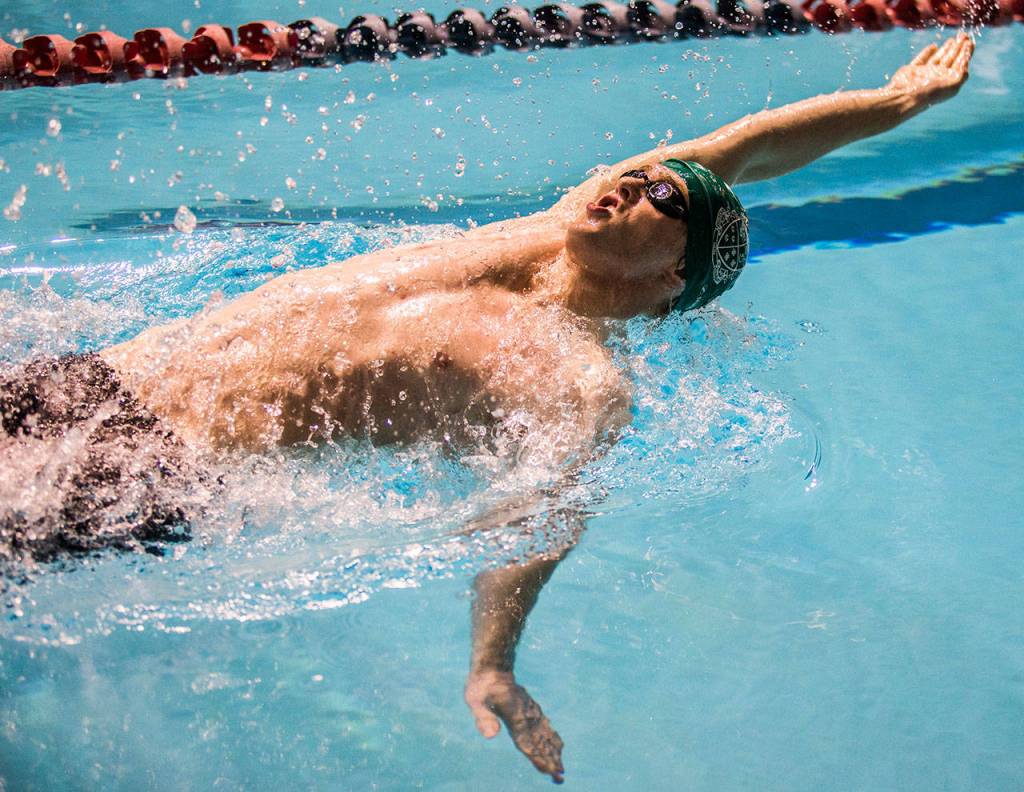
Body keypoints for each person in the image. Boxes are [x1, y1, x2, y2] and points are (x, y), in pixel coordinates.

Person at [0, 34, 974, 781]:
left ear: (667, 277)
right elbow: (745, 150)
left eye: (662, 198)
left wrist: (492, 666)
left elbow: (539, 518)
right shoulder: (550, 226)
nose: (637, 180)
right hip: (102, 376)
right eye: (641, 172)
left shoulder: (577, 381)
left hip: (147, 470)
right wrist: (896, 100)